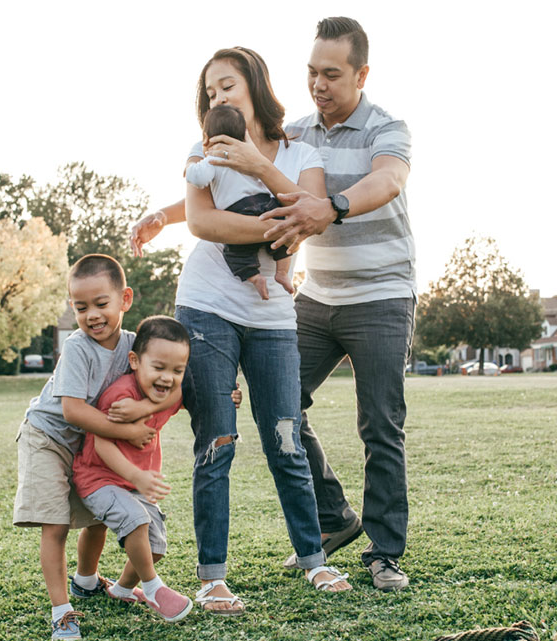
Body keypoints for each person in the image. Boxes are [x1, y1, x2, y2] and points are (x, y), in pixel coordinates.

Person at [130, 17, 415, 592]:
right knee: (279, 418)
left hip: (379, 292)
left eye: (331, 74)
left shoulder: (383, 129)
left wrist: (323, 205)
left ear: (360, 74)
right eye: (311, 72)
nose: (318, 83)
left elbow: (383, 183)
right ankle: (331, 521)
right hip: (312, 296)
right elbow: (221, 196)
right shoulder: (296, 131)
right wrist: (166, 213)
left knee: (378, 423)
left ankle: (382, 552)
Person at [179, 46, 353, 615]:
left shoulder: (302, 151)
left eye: (226, 85)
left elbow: (313, 208)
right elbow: (204, 222)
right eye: (210, 92)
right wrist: (273, 226)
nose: (218, 98)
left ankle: (314, 559)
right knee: (217, 440)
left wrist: (259, 167)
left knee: (286, 437)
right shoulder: (200, 155)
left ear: (253, 84)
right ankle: (212, 577)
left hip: (273, 315)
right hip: (206, 308)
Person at [13, 254, 181, 641]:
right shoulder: (77, 348)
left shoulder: (134, 347)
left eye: (101, 304)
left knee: (98, 515)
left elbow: (171, 380)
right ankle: (61, 611)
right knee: (55, 524)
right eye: (80, 306)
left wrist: (146, 406)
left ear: (125, 299)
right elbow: (72, 411)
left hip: (86, 444)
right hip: (48, 436)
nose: (91, 315)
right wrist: (125, 433)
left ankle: (86, 581)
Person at [71, 316, 196, 623]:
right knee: (136, 520)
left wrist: (231, 396)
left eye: (177, 370)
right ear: (135, 361)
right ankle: (153, 588)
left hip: (133, 483)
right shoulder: (120, 397)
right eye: (159, 367)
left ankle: (123, 589)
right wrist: (137, 475)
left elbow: (182, 394)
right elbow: (102, 445)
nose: (167, 378)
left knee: (156, 545)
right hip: (99, 477)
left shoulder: (164, 392)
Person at [186, 104, 294, 301]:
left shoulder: (213, 158)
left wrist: (191, 166)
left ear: (206, 138)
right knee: (284, 238)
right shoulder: (251, 155)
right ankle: (282, 272)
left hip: (239, 211)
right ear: (244, 133)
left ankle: (255, 278)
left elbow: (199, 179)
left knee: (237, 253)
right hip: (267, 204)